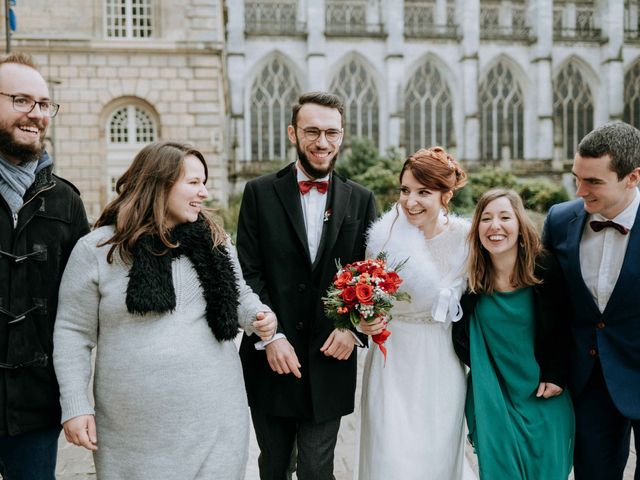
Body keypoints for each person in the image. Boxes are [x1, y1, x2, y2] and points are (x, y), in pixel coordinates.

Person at [52, 141, 277, 479]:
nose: (203, 192)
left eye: (204, 182)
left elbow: (239, 293)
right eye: (194, 183)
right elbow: (72, 333)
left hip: (217, 419)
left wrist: (259, 315)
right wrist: (75, 406)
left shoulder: (215, 242)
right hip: (133, 434)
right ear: (159, 183)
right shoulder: (98, 250)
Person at [236, 91, 376, 479]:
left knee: (318, 469)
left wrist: (351, 329)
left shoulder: (362, 199)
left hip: (330, 360)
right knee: (274, 467)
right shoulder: (259, 193)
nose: (322, 142)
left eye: (332, 133)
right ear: (292, 133)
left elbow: (371, 273)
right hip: (270, 358)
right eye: (312, 131)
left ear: (342, 135)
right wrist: (271, 336)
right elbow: (247, 272)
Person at [357, 146, 473, 479]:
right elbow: (368, 300)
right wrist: (365, 319)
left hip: (440, 360)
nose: (411, 202)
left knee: (436, 457)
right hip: (391, 357)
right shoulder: (383, 237)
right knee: (388, 456)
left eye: (424, 192)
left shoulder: (466, 239)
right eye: (405, 191)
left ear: (445, 195)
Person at [0, 52, 89, 479]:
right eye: (20, 100)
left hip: (35, 407)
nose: (36, 114)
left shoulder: (66, 202)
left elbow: (82, 308)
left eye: (43, 104)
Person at [453, 188, 574, 479]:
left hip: (543, 395)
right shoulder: (468, 281)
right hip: (493, 399)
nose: (495, 226)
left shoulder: (545, 268)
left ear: (520, 224)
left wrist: (557, 372)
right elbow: (458, 336)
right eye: (486, 219)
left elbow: (566, 325)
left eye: (505, 217)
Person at [542, 122, 640, 480]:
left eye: (594, 182)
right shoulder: (559, 219)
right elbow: (549, 303)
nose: (580, 190)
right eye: (577, 177)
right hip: (591, 381)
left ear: (632, 177)